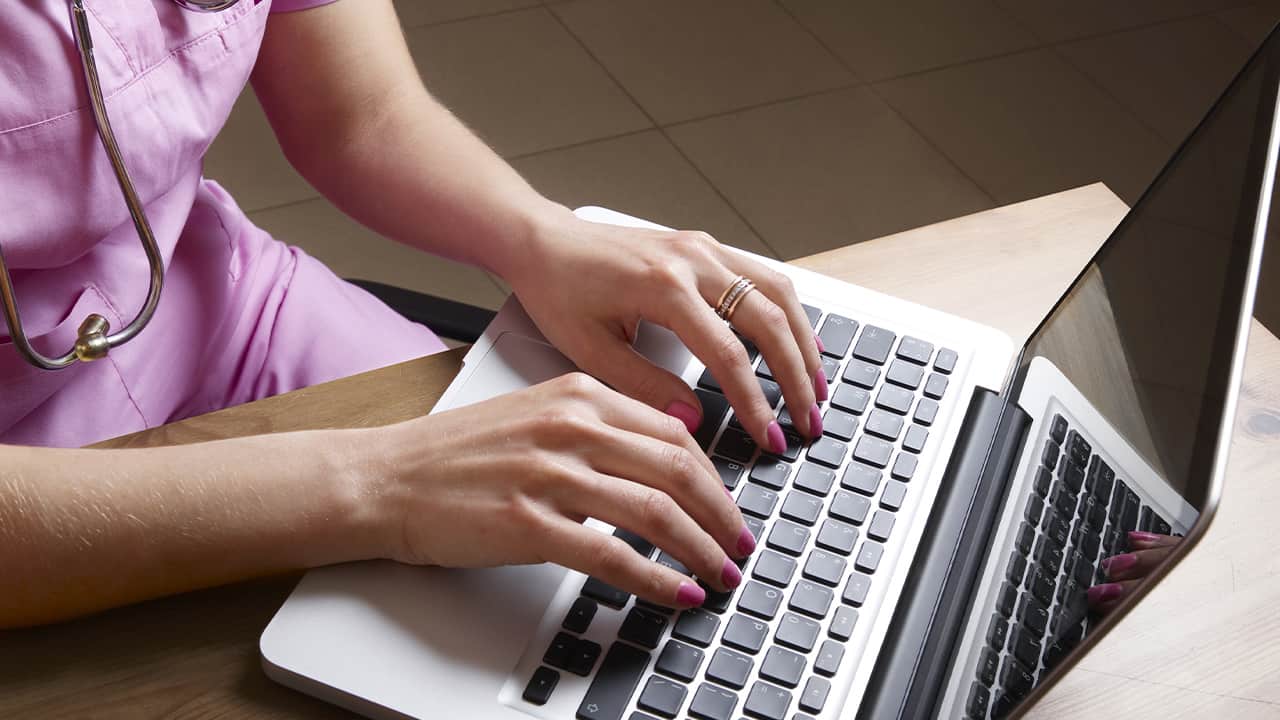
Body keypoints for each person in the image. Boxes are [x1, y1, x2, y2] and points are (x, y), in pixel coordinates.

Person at [0, 0, 830, 628]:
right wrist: (380, 485)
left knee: (554, 596)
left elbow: (360, 115)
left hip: (214, 302)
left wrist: (541, 237)